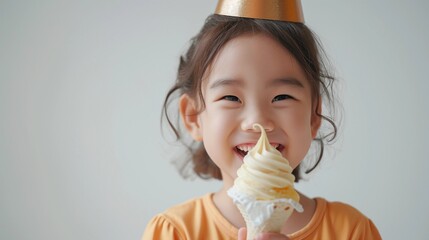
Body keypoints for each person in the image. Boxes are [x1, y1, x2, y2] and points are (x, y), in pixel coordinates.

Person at [143, 0, 381, 239]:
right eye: (231, 97)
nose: (258, 121)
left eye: (281, 96)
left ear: (313, 115)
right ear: (194, 117)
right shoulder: (175, 232)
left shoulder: (352, 231)